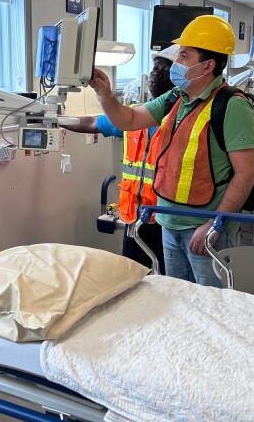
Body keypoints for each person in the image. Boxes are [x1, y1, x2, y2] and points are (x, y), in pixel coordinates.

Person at [88, 16, 254, 288]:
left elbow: (246, 173)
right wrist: (105, 95)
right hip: (168, 221)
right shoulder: (176, 99)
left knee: (209, 304)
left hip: (204, 228)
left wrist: (215, 225)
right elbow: (129, 120)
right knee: (177, 297)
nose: (176, 62)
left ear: (208, 65)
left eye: (184, 55)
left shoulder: (233, 106)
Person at [60, 45, 179, 272]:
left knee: (169, 284)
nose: (155, 74)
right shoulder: (129, 118)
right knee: (132, 279)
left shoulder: (185, 123)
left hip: (169, 222)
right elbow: (91, 124)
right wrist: (51, 119)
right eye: (155, 68)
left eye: (163, 69)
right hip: (135, 219)